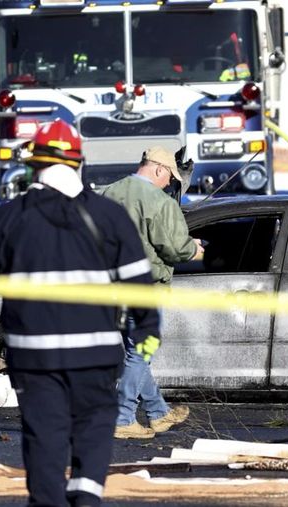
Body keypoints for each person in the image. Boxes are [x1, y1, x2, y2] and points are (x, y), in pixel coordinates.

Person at [0, 119, 160, 506]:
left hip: (34, 356)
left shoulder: (8, 218)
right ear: (79, 163)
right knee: (92, 432)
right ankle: (86, 499)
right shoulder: (108, 216)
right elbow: (139, 281)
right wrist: (149, 329)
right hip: (96, 356)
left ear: (33, 165)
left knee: (45, 436)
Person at [102, 146, 203, 439]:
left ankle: (159, 413)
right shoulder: (160, 202)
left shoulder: (106, 193)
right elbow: (174, 247)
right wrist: (193, 248)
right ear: (159, 169)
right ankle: (123, 419)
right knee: (140, 353)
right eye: (169, 177)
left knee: (136, 353)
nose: (169, 184)